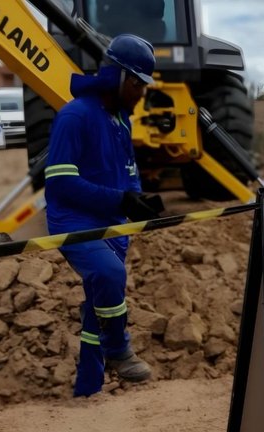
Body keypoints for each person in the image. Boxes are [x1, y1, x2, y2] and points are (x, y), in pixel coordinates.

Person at [44, 34, 162, 397]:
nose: (143, 93)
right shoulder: (74, 116)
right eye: (139, 84)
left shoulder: (121, 121)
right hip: (74, 221)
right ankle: (118, 349)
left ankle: (88, 390)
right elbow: (61, 183)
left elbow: (128, 172)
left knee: (98, 307)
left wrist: (138, 201)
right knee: (109, 274)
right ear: (122, 78)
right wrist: (121, 201)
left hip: (113, 226)